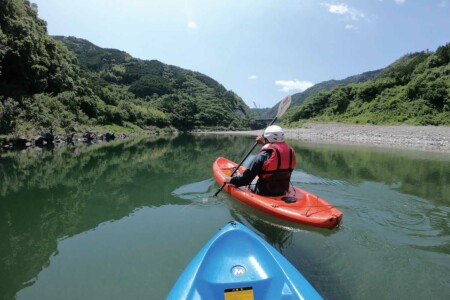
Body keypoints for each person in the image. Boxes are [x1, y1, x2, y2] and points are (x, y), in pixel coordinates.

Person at [224, 125, 297, 196]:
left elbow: (245, 181)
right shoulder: (291, 153)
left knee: (242, 177)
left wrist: (230, 180)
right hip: (283, 190)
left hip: (264, 192)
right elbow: (275, 153)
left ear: (267, 139)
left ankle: (236, 176)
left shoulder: (262, 156)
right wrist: (263, 143)